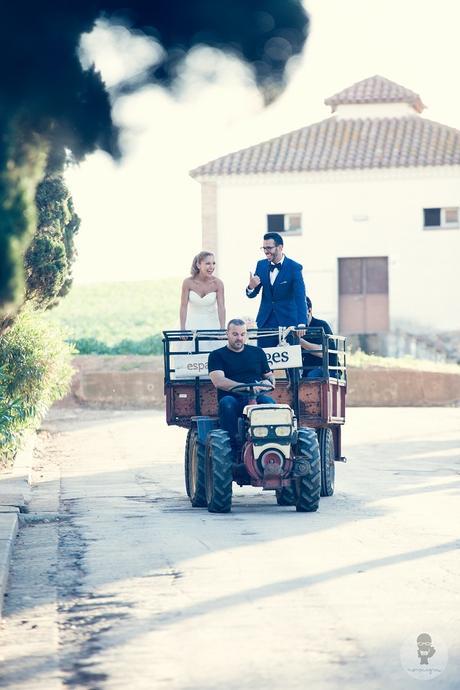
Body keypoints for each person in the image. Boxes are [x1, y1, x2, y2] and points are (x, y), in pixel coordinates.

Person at [208, 319, 275, 445]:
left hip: (256, 396)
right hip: (232, 398)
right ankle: (232, 443)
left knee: (270, 403)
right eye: (235, 334)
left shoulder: (258, 352)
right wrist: (245, 387)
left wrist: (268, 383)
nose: (239, 338)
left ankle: (271, 443)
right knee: (226, 403)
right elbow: (219, 382)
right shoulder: (216, 355)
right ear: (227, 334)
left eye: (242, 334)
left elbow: (269, 376)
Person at [246, 232, 307, 347]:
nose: (265, 251)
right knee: (265, 361)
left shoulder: (294, 267)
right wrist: (250, 287)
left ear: (280, 247)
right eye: (264, 248)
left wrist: (302, 323)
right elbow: (252, 294)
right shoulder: (261, 265)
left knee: (289, 363)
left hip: (288, 324)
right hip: (265, 323)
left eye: (269, 248)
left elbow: (300, 297)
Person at [180, 251, 226, 331]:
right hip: (191, 324)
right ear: (198, 265)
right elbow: (183, 307)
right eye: (208, 263)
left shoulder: (218, 283)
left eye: (213, 263)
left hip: (213, 324)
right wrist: (183, 329)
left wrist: (222, 328)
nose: (212, 267)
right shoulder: (187, 282)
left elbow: (221, 307)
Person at [300, 297, 337, 378]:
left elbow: (321, 352)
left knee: (312, 376)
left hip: (328, 369)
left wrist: (299, 341)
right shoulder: (294, 328)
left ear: (309, 310)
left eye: (300, 310)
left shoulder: (322, 325)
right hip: (307, 369)